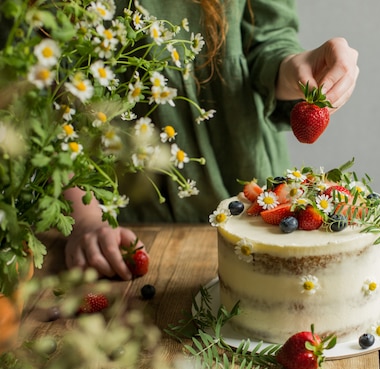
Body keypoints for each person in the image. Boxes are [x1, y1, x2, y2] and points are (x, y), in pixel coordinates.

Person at [64, 0, 359, 280]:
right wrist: (87, 220)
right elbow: (55, 93)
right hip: (124, 219)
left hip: (256, 206)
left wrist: (298, 66)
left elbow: (266, 45)